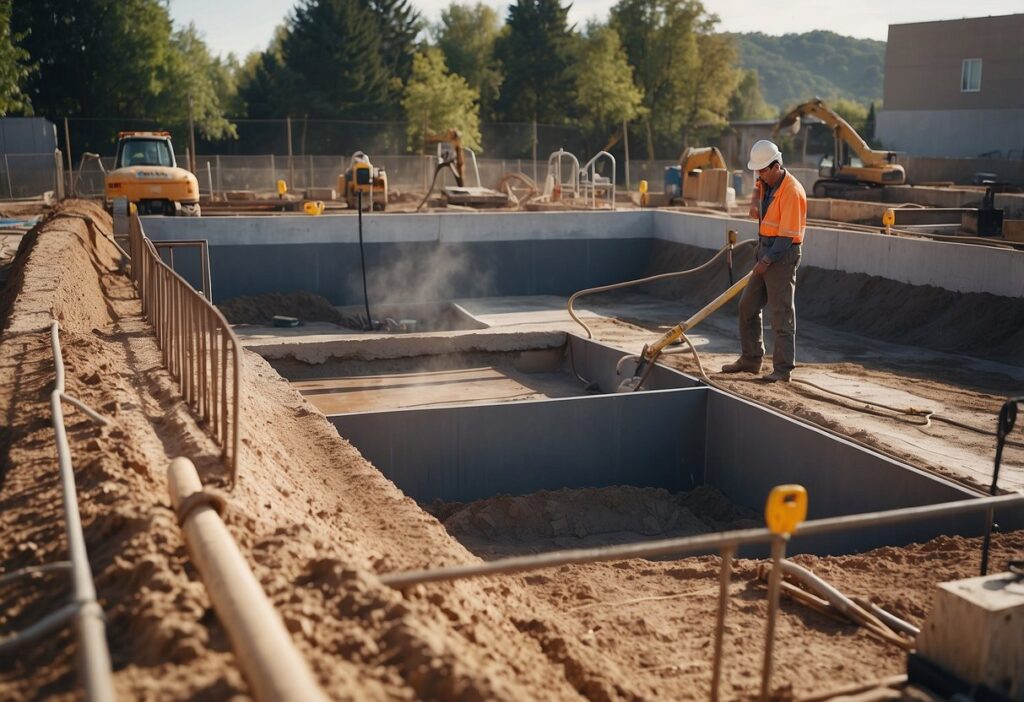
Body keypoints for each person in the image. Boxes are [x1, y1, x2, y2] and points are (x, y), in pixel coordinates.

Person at [720, 139, 807, 383]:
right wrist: (753, 202)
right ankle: (751, 359)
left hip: (782, 254)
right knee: (747, 306)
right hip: (766, 249)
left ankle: (782, 370)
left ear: (776, 166)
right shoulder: (766, 180)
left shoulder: (792, 192)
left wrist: (766, 261)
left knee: (781, 314)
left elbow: (787, 237)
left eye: (762, 170)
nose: (758, 175)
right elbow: (758, 186)